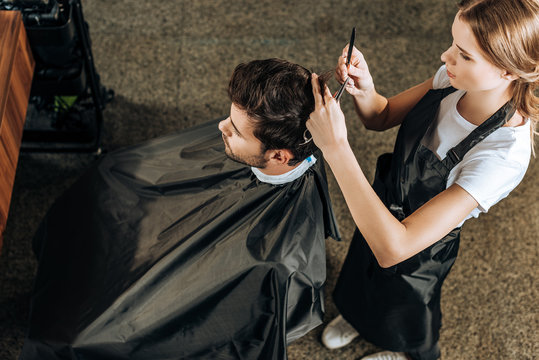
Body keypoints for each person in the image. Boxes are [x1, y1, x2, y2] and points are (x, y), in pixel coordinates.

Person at [20, 59, 339, 360]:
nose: (221, 126)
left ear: (280, 156)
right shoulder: (279, 143)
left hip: (184, 294)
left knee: (79, 337)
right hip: (195, 213)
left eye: (236, 132)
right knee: (111, 173)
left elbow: (226, 319)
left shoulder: (276, 260)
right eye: (230, 118)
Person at [306, 0, 538, 359]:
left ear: (509, 71)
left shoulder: (503, 155)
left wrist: (335, 147)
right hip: (385, 199)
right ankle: (359, 318)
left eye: (464, 54)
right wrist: (364, 89)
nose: (446, 58)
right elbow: (380, 117)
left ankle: (406, 352)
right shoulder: (451, 80)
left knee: (407, 306)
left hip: (420, 247)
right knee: (361, 271)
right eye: (451, 44)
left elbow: (395, 247)